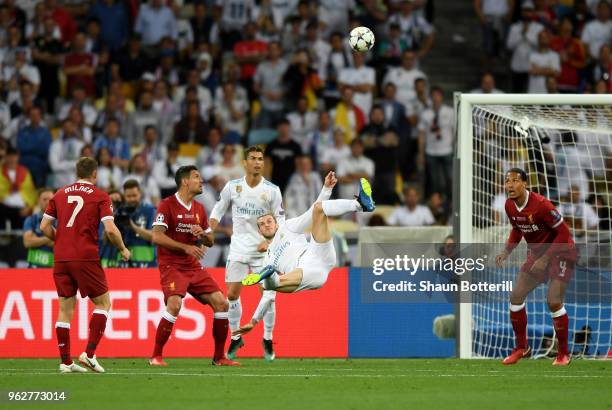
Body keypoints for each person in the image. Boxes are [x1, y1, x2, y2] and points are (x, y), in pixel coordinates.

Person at [233, 174, 375, 336]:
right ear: (259, 231)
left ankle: (360, 204)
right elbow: (267, 298)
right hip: (306, 272)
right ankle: (268, 276)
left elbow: (312, 212)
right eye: (262, 224)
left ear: (276, 222)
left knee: (318, 210)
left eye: (269, 221)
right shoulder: (267, 257)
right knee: (268, 287)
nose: (266, 225)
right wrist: (253, 321)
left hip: (318, 254)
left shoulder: (288, 227)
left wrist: (326, 189)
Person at [39, 157, 130, 373]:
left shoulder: (59, 194)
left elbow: (44, 226)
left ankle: (65, 362)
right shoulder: (100, 196)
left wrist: (61, 241)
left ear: (76, 172)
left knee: (65, 309)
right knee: (103, 304)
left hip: (61, 257)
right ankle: (89, 354)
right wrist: (123, 249)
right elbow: (110, 229)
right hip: (85, 255)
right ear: (95, 174)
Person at [149, 165, 238, 366]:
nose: (201, 181)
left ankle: (219, 357)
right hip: (172, 265)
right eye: (197, 177)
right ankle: (156, 356)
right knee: (174, 304)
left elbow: (210, 241)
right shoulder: (167, 204)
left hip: (192, 266)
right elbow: (156, 236)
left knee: (222, 303)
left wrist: (203, 235)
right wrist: (185, 248)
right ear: (185, 181)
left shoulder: (198, 209)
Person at [209, 146, 284, 362]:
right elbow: (218, 209)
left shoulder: (272, 190)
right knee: (232, 294)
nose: (258, 162)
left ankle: (268, 338)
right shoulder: (233, 187)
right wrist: (211, 228)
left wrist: (268, 240)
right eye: (253, 158)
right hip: (239, 248)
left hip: (264, 251)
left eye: (260, 159)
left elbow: (281, 220)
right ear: (245, 163)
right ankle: (235, 336)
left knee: (268, 295)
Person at [495, 168, 576, 366]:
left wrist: (546, 258)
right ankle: (522, 347)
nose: (510, 185)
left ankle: (563, 354)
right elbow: (517, 229)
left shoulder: (541, 205)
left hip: (561, 252)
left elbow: (564, 234)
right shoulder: (509, 206)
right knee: (515, 297)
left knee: (553, 301)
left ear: (525, 184)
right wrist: (507, 251)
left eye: (515, 181)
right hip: (538, 254)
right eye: (507, 181)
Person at [118, 179, 156, 267]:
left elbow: (155, 236)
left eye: (134, 195)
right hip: (124, 264)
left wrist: (132, 226)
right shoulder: (120, 211)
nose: (132, 199)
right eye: (128, 196)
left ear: (140, 194)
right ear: (124, 196)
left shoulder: (150, 211)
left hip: (146, 264)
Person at [23, 187, 55, 268]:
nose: (48, 202)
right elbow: (27, 242)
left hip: (53, 268)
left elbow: (64, 244)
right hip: (33, 268)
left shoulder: (62, 220)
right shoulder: (31, 219)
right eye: (44, 199)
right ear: (38, 201)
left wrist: (37, 239)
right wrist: (51, 238)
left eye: (51, 200)